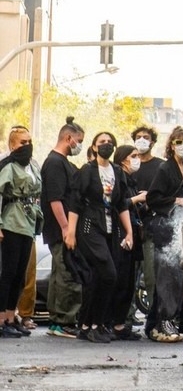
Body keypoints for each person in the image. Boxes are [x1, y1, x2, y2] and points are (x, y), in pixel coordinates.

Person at [65, 131, 134, 343]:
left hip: (110, 229)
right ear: (94, 147)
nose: (106, 145)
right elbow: (76, 202)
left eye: (110, 142)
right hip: (89, 227)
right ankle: (95, 323)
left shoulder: (116, 171)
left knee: (96, 278)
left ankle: (87, 325)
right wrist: (70, 232)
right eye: (102, 142)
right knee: (108, 274)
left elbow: (121, 203)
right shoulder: (87, 171)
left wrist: (129, 232)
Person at [145, 126, 183, 343]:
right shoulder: (165, 169)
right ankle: (162, 325)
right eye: (178, 142)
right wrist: (175, 201)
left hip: (180, 229)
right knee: (166, 277)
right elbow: (152, 198)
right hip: (164, 228)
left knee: (177, 279)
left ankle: (156, 324)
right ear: (171, 145)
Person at [41, 116, 85, 339]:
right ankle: (63, 321)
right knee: (67, 274)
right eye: (79, 140)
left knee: (61, 273)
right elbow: (55, 200)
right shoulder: (55, 163)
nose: (80, 145)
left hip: (64, 230)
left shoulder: (64, 163)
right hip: (61, 230)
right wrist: (67, 229)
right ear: (68, 138)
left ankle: (58, 320)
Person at [0, 125, 42, 337]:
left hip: (27, 223)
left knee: (20, 274)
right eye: (22, 143)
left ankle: (10, 316)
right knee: (7, 273)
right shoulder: (7, 166)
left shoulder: (32, 166)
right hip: (10, 222)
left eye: (29, 142)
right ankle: (0, 320)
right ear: (12, 145)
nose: (27, 146)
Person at [111, 145, 146, 340]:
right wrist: (137, 198)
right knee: (121, 281)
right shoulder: (118, 176)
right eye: (133, 156)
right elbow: (119, 203)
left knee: (129, 281)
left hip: (133, 235)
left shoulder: (130, 179)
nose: (137, 159)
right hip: (122, 235)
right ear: (123, 159)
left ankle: (121, 323)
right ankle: (115, 323)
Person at [131, 125, 164, 316]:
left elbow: (165, 193)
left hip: (150, 227)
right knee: (128, 277)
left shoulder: (160, 166)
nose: (142, 140)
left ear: (152, 142)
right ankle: (124, 321)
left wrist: (150, 198)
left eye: (146, 137)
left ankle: (154, 319)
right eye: (138, 137)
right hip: (129, 226)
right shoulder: (128, 164)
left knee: (151, 276)